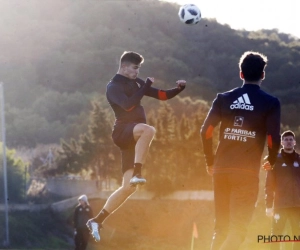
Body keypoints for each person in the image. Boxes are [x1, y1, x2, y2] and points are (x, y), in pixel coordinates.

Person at [86, 51, 186, 242]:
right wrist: (145, 85)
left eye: (139, 68)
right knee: (149, 130)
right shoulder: (113, 86)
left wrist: (179, 88)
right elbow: (128, 106)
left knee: (128, 188)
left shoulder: (137, 83)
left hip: (134, 136)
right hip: (123, 132)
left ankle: (97, 220)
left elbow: (161, 95)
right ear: (124, 67)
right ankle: (138, 173)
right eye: (134, 68)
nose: (137, 71)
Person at [200, 51, 281, 250]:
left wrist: (210, 161)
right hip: (246, 173)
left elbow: (206, 132)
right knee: (238, 230)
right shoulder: (270, 102)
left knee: (221, 228)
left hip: (221, 170)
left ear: (241, 74)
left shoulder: (223, 98)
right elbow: (272, 137)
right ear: (263, 75)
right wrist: (271, 158)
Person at [264, 130, 300, 250]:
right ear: (282, 142)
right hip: (280, 206)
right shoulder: (275, 161)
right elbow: (269, 185)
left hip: (297, 206)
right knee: (275, 236)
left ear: (294, 142)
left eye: (291, 140)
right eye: (286, 140)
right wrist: (269, 206)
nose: (288, 142)